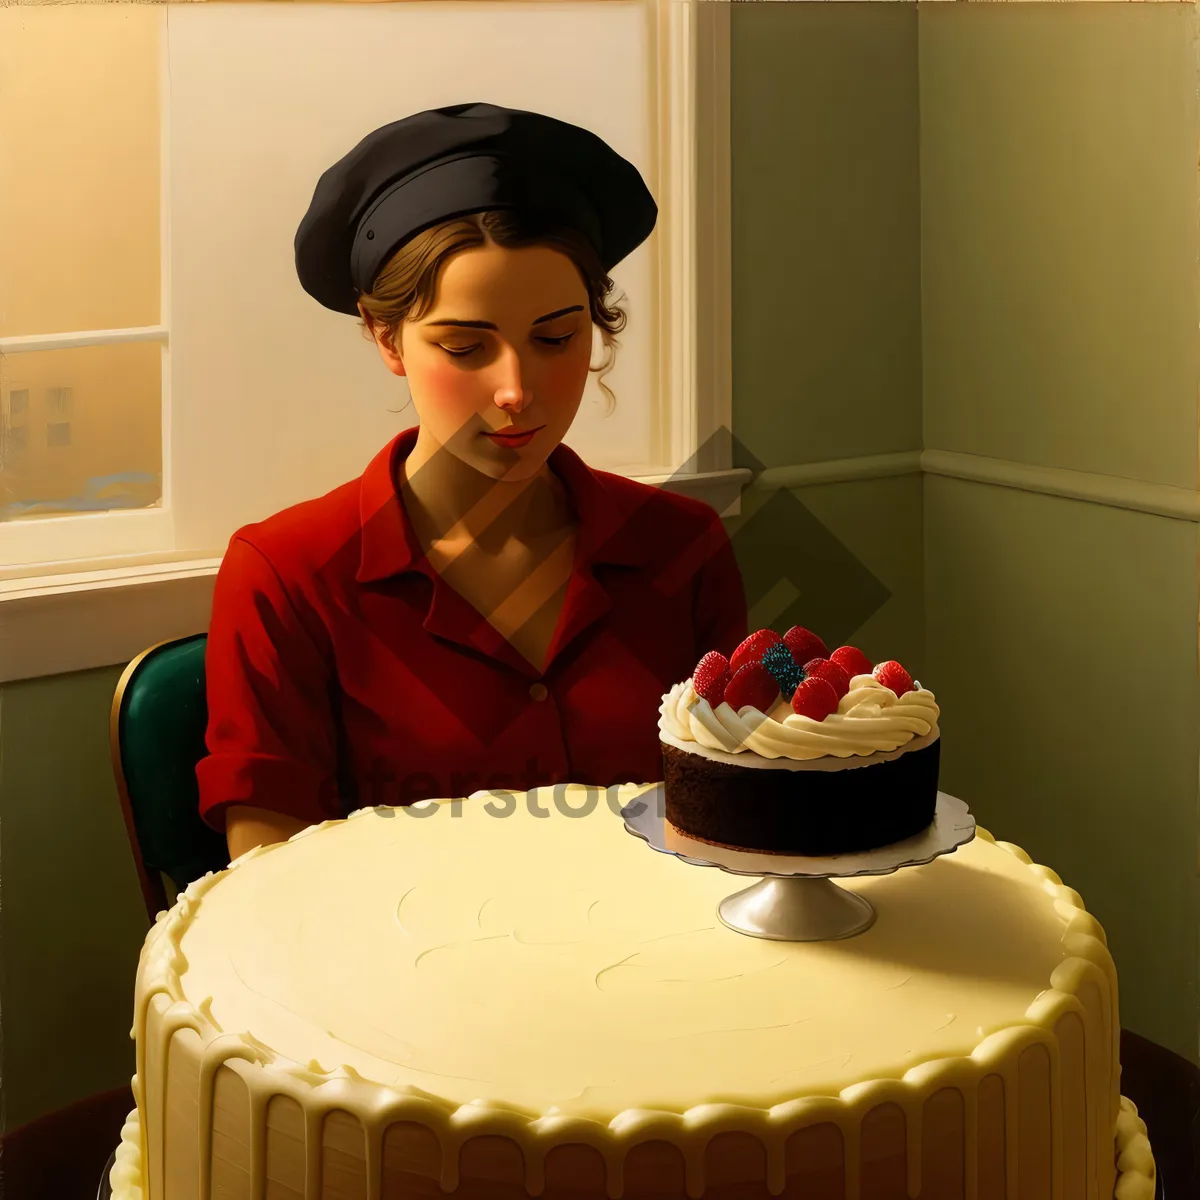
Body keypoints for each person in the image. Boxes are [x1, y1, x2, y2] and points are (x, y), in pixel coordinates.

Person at [197, 102, 748, 861]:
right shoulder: (286, 574)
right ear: (385, 337)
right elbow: (265, 876)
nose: (516, 389)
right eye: (464, 347)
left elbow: (736, 810)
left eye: (556, 338)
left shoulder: (682, 545)